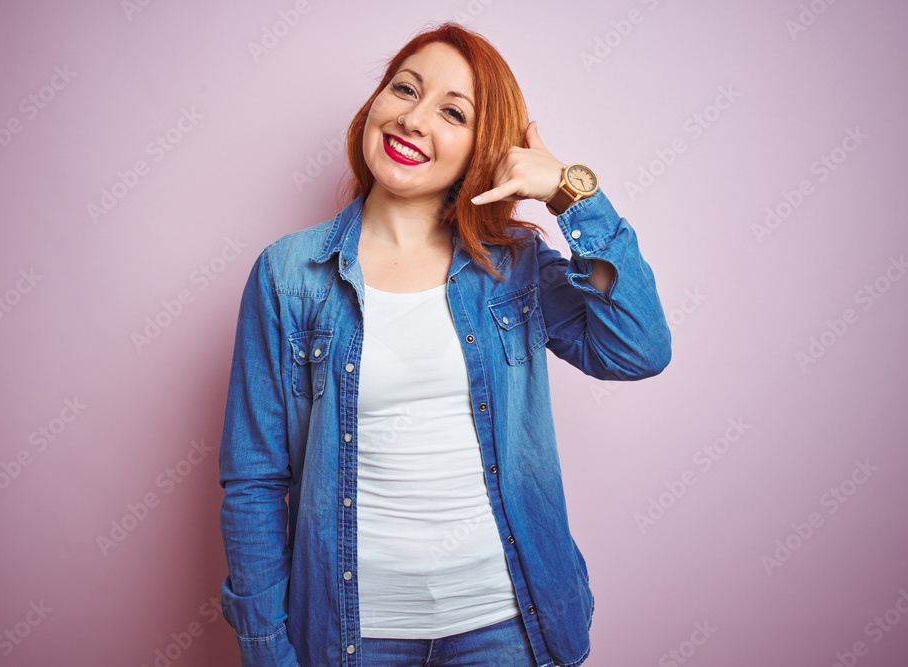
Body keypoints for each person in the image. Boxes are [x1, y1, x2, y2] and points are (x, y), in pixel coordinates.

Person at [217, 21, 671, 667]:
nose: (413, 119)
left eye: (452, 112)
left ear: (481, 150)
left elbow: (639, 346)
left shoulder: (512, 268)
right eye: (404, 89)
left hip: (509, 626)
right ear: (375, 104)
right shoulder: (290, 276)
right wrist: (267, 651)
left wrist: (571, 193)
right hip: (353, 635)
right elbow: (255, 481)